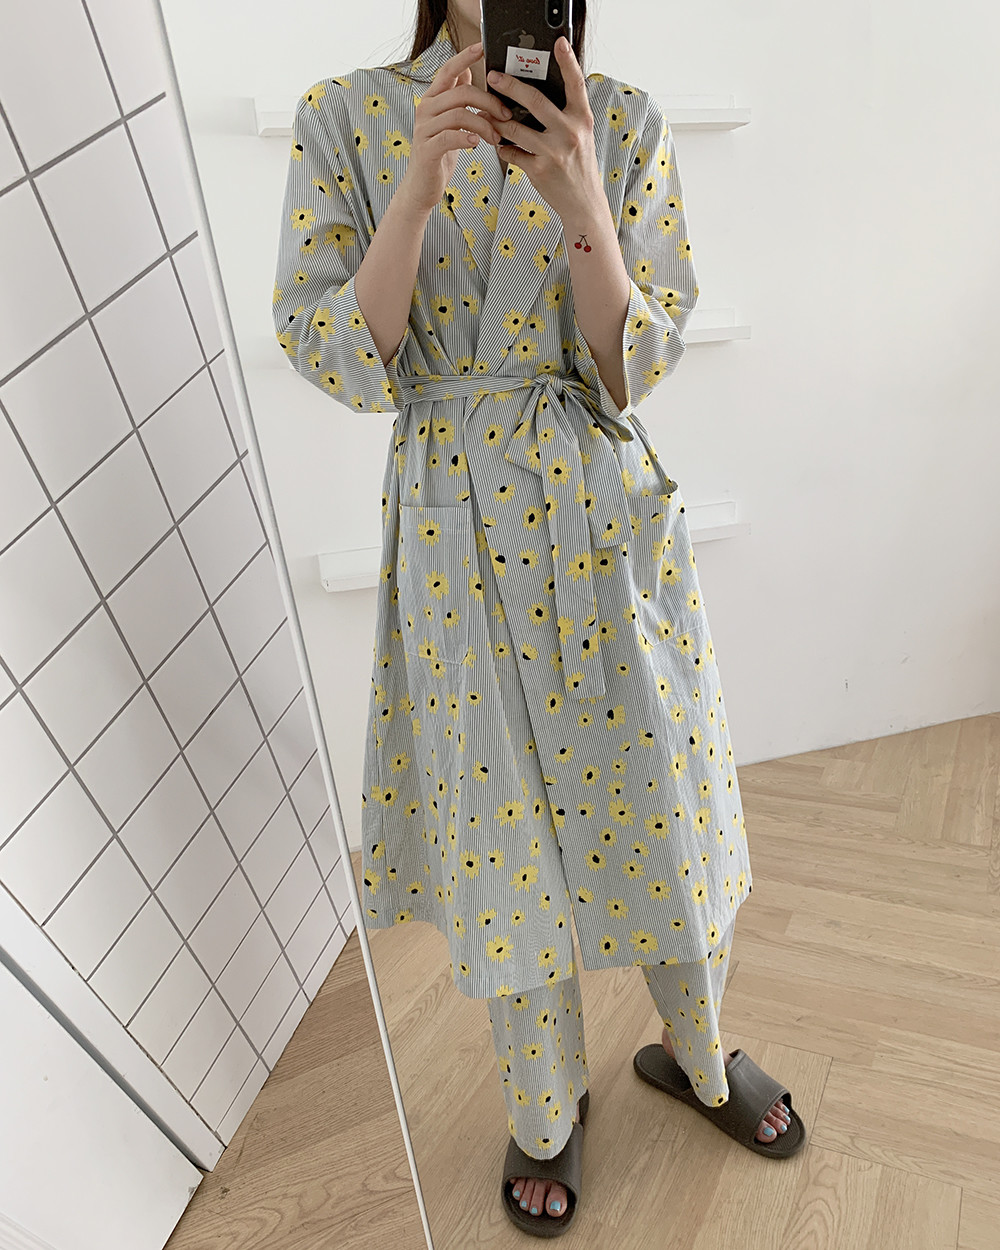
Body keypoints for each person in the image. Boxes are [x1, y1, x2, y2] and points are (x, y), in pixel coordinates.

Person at [272, 0, 806, 1234]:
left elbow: (634, 367)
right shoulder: (345, 116)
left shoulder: (619, 120)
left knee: (662, 794)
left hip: (599, 511)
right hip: (452, 528)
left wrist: (580, 201)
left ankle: (698, 1049)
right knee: (500, 823)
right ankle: (544, 1104)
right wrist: (415, 187)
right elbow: (337, 354)